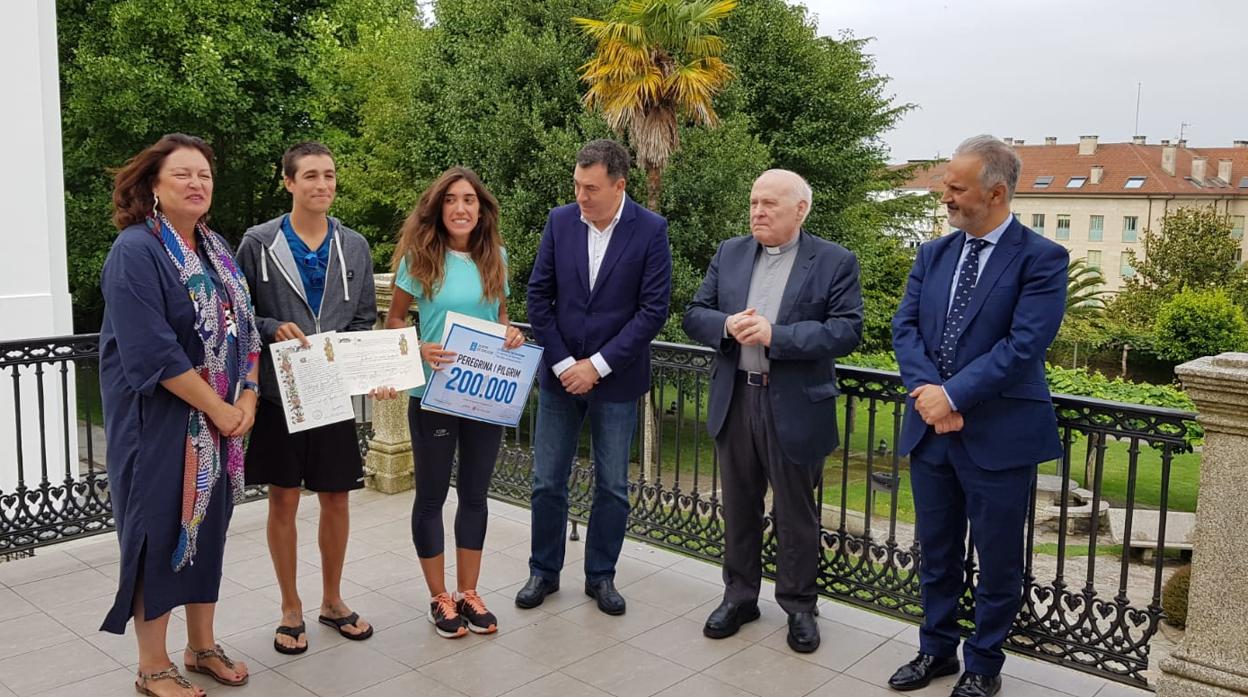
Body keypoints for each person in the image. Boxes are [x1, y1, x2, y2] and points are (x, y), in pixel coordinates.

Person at [889, 135, 1067, 697]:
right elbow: (906, 330)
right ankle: (935, 651)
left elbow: (1023, 346)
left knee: (997, 561)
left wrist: (954, 396)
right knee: (936, 553)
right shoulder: (933, 254)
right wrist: (929, 395)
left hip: (998, 437)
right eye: (946, 185)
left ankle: (984, 665)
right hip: (931, 432)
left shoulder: (1042, 258)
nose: (944, 196)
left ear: (994, 193)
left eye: (955, 187)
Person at [99, 133, 258, 696]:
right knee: (159, 536)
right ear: (153, 188)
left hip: (216, 426)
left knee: (207, 533)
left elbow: (246, 331)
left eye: (205, 176)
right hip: (158, 428)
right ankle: (152, 666)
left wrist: (248, 397)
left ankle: (201, 645)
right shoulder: (136, 251)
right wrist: (218, 406)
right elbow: (152, 351)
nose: (197, 184)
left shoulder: (215, 250)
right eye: (183, 175)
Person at [683, 169, 863, 654]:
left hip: (796, 405)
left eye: (770, 204)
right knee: (739, 508)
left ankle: (800, 606)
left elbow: (847, 330)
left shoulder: (834, 261)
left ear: (800, 209)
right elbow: (694, 313)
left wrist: (776, 336)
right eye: (754, 202)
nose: (758, 212)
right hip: (737, 396)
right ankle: (740, 598)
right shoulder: (731, 252)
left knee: (795, 513)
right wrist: (726, 324)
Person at [518, 139, 672, 615]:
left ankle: (600, 576)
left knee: (612, 486)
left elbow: (652, 312)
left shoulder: (650, 230)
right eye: (577, 186)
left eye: (591, 188)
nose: (581, 196)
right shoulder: (560, 221)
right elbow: (538, 297)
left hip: (618, 381)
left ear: (619, 185)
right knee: (546, 481)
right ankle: (543, 572)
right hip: (560, 378)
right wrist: (566, 365)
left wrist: (598, 366)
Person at [234, 142, 378, 654]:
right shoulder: (258, 242)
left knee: (337, 497)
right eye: (311, 176)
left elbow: (365, 319)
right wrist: (272, 327)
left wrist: (358, 357)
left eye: (330, 176)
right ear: (289, 182)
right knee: (284, 498)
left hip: (331, 394)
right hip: (279, 394)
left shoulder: (355, 245)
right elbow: (236, 314)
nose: (323, 185)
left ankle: (333, 601)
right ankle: (290, 607)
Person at [384, 166, 525, 638]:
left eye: (470, 200)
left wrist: (512, 334)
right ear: (438, 208)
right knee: (430, 497)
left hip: (483, 397)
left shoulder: (496, 258)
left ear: (481, 209)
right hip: (433, 395)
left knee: (475, 496)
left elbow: (501, 319)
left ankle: (468, 593)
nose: (461, 208)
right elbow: (396, 322)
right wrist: (417, 348)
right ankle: (438, 598)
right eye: (451, 200)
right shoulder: (420, 259)